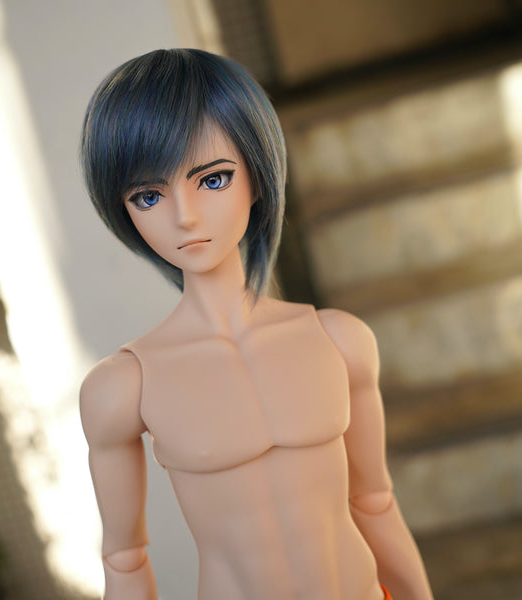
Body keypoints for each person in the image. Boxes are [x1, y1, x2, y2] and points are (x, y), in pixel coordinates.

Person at [79, 48, 433, 600]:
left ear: (258, 176)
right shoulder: (124, 387)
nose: (185, 216)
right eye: (149, 196)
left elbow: (375, 502)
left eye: (213, 180)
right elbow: (124, 560)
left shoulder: (340, 341)